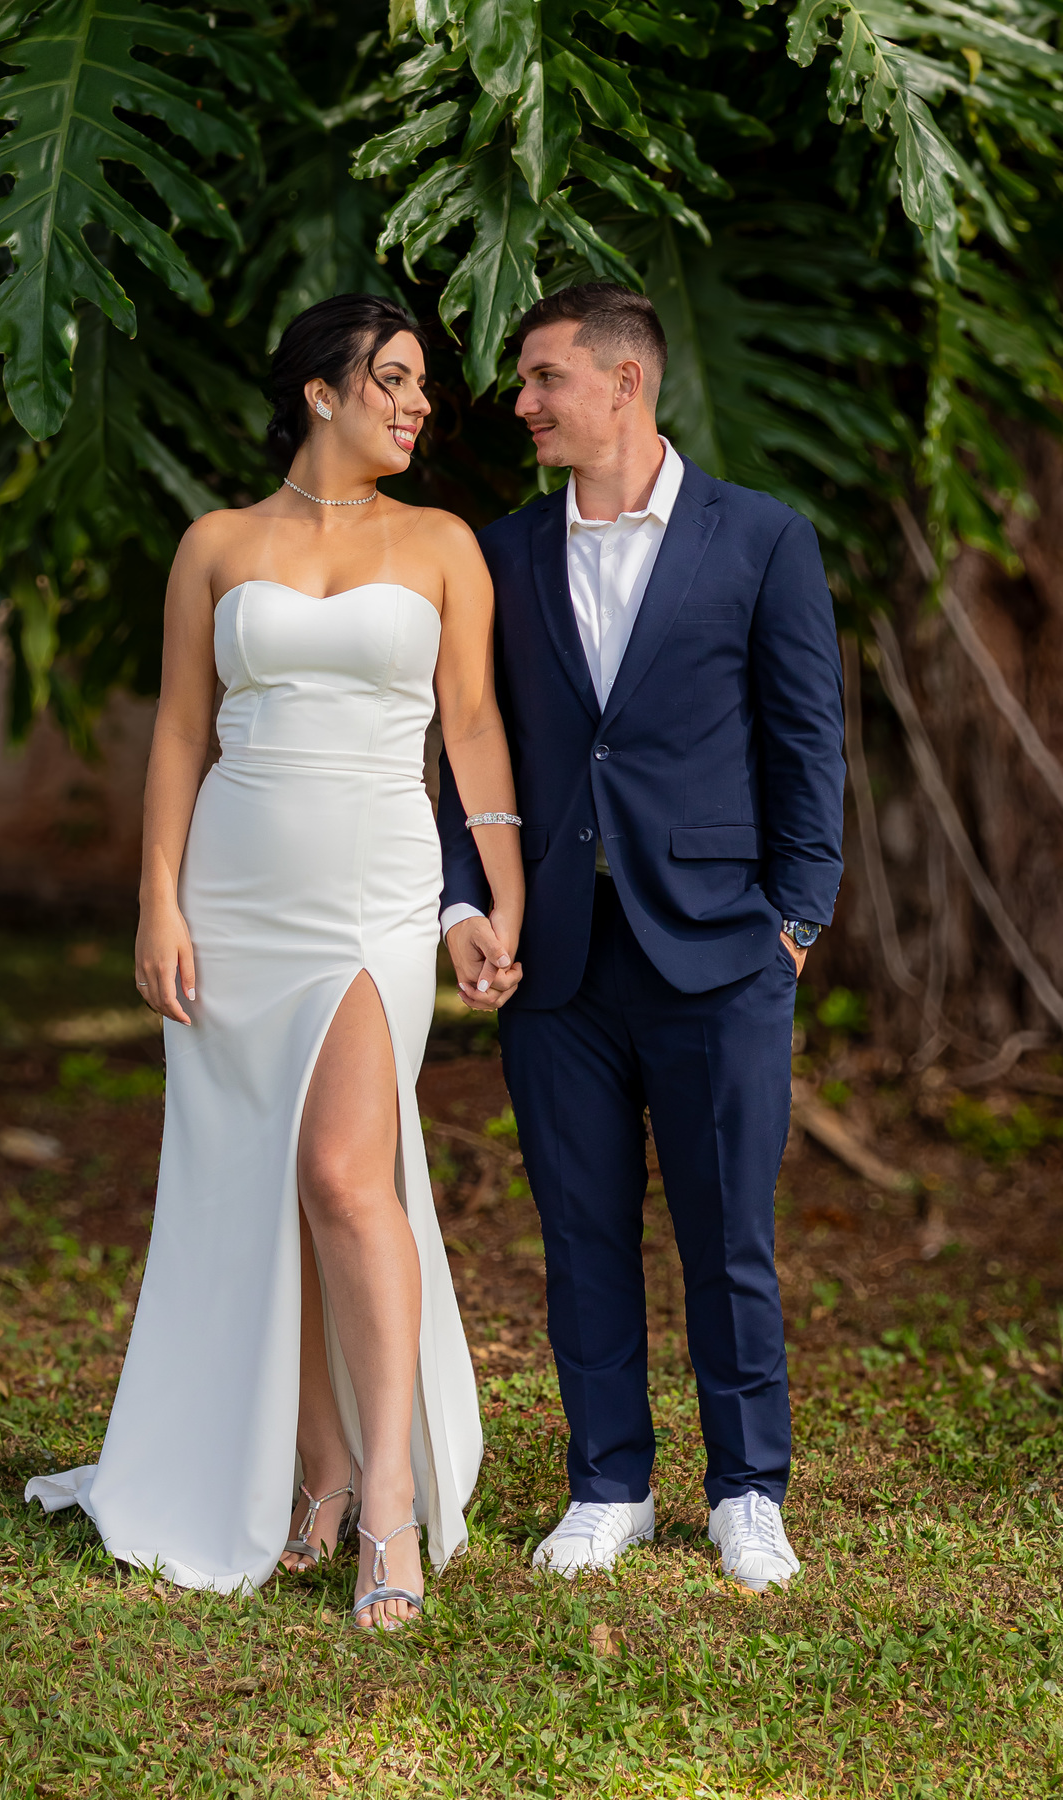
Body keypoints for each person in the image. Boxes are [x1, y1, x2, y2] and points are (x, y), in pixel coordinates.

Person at [26, 294, 525, 1630]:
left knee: (346, 1176)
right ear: (321, 391)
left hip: (374, 888)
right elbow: (180, 733)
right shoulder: (215, 543)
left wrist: (497, 893)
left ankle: (390, 1508)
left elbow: (473, 727)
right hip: (236, 892)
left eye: (421, 385)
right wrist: (159, 904)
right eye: (394, 379)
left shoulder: (443, 544)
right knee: (269, 1182)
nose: (418, 404)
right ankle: (318, 1473)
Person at [439, 283, 845, 1593]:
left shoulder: (763, 539)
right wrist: (465, 901)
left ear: (625, 383)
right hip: (555, 958)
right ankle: (609, 1482)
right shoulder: (501, 555)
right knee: (581, 1233)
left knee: (730, 1237)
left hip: (724, 951)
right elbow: (468, 749)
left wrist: (795, 922)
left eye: (543, 377)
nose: (521, 401)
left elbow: (807, 743)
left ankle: (748, 1491)